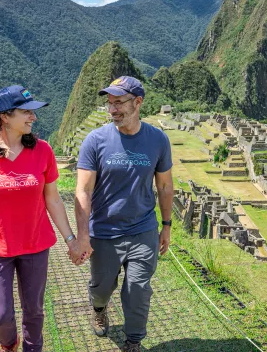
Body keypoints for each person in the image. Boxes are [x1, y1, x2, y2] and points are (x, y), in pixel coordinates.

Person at [0, 85, 86, 352]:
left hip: (35, 244)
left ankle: (32, 348)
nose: (33, 117)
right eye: (26, 112)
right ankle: (9, 343)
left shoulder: (42, 151)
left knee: (34, 310)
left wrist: (71, 240)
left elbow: (52, 199)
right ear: (5, 116)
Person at [74, 76, 174, 352]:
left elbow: (164, 185)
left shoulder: (157, 140)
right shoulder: (96, 140)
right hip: (104, 231)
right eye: (110, 103)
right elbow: (82, 190)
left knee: (138, 289)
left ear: (138, 102)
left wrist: (166, 225)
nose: (112, 109)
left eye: (119, 102)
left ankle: (133, 341)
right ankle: (99, 307)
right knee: (102, 286)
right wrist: (83, 235)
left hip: (142, 229)